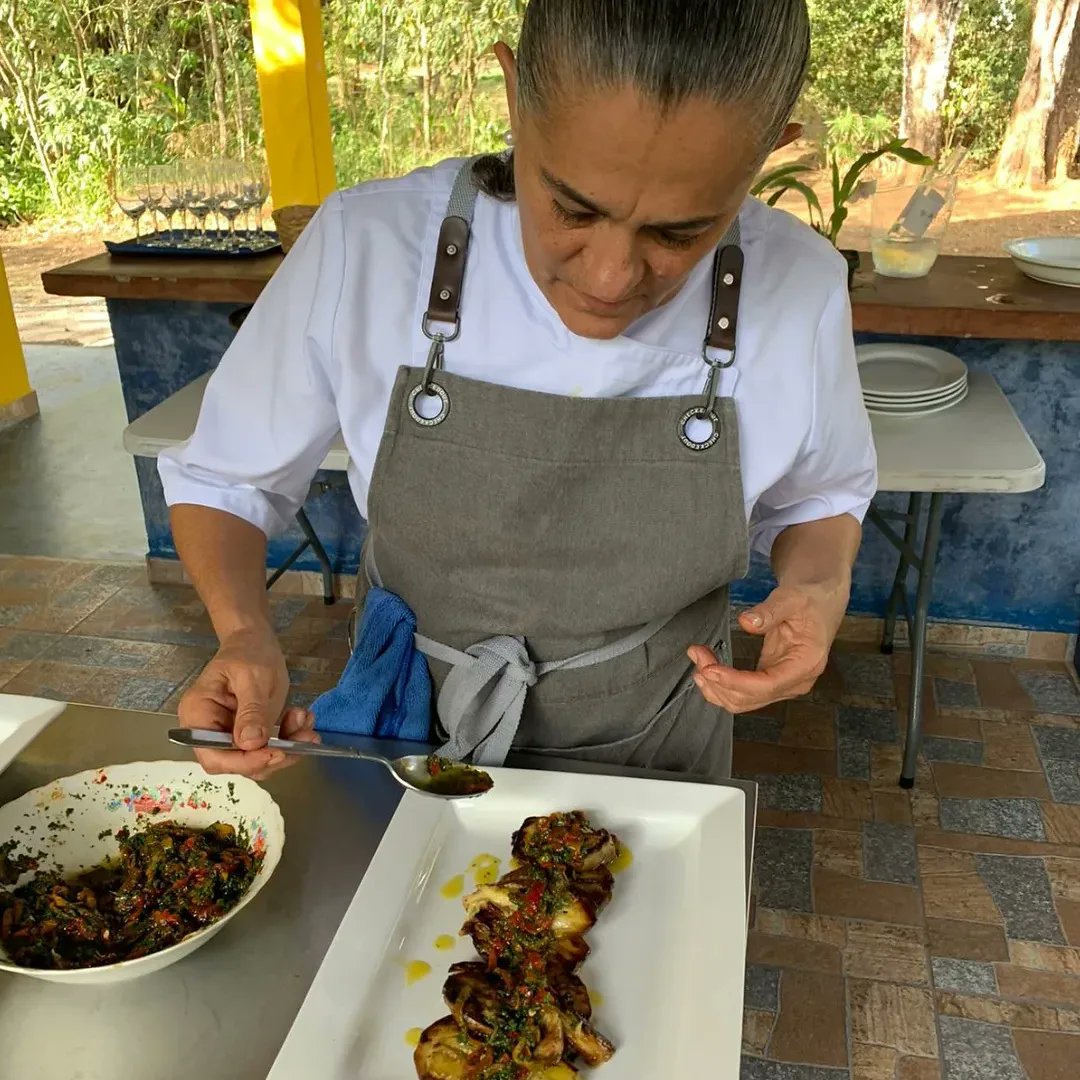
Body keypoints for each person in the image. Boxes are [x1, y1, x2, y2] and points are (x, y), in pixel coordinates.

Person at [160, 0, 876, 782]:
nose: (609, 277)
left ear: (772, 151)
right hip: (403, 724)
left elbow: (818, 495)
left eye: (680, 234)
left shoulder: (799, 285)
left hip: (654, 742)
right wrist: (242, 634)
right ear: (513, 92)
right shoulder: (368, 245)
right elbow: (227, 479)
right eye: (572, 206)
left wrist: (816, 584)